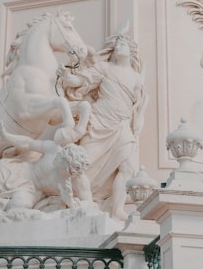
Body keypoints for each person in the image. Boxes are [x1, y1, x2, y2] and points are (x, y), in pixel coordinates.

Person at [58, 30, 145, 220]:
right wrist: (68, 78)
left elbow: (138, 106)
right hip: (99, 122)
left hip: (122, 126)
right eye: (117, 45)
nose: (119, 47)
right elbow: (83, 80)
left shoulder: (137, 78)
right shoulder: (104, 68)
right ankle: (74, 199)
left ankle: (117, 209)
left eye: (123, 44)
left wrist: (137, 124)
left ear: (131, 50)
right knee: (85, 166)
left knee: (128, 167)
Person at [0, 124, 92, 216]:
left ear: (71, 172)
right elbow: (29, 143)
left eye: (62, 165)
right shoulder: (54, 150)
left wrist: (70, 202)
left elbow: (89, 204)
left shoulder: (79, 181)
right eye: (59, 159)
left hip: (31, 191)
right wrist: (7, 136)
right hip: (19, 171)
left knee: (15, 209)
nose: (56, 162)